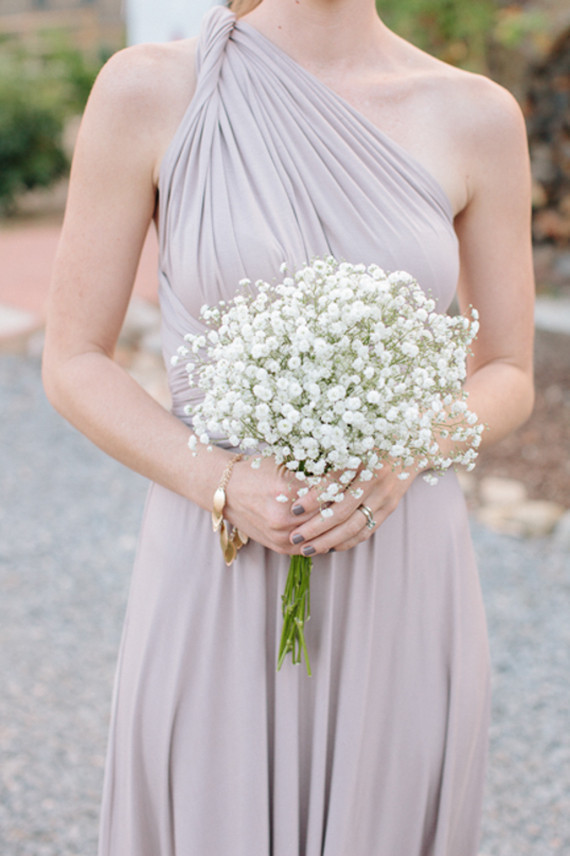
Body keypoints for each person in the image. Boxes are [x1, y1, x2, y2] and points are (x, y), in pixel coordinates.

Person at [42, 0, 535, 853]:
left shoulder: (476, 113)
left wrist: (407, 450)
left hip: (399, 555)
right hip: (217, 558)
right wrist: (224, 483)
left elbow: (510, 371)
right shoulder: (150, 90)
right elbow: (74, 359)